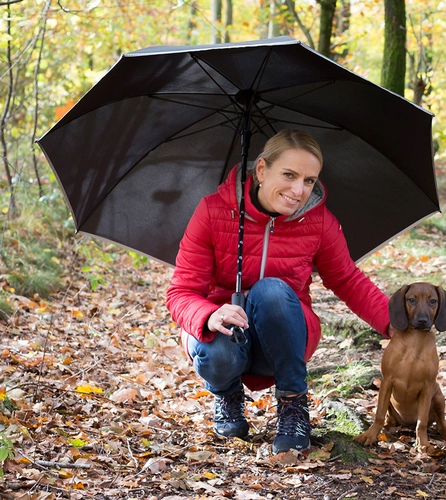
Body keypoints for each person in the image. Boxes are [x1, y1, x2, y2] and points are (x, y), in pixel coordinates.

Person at [166, 129, 392, 454]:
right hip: (225, 336)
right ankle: (228, 393)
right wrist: (210, 313)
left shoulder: (318, 221)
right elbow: (180, 293)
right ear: (261, 170)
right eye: (289, 175)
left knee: (271, 290)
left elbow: (347, 278)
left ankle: (293, 407)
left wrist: (395, 324)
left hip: (285, 329)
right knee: (214, 346)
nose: (298, 190)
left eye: (310, 180)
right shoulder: (214, 211)